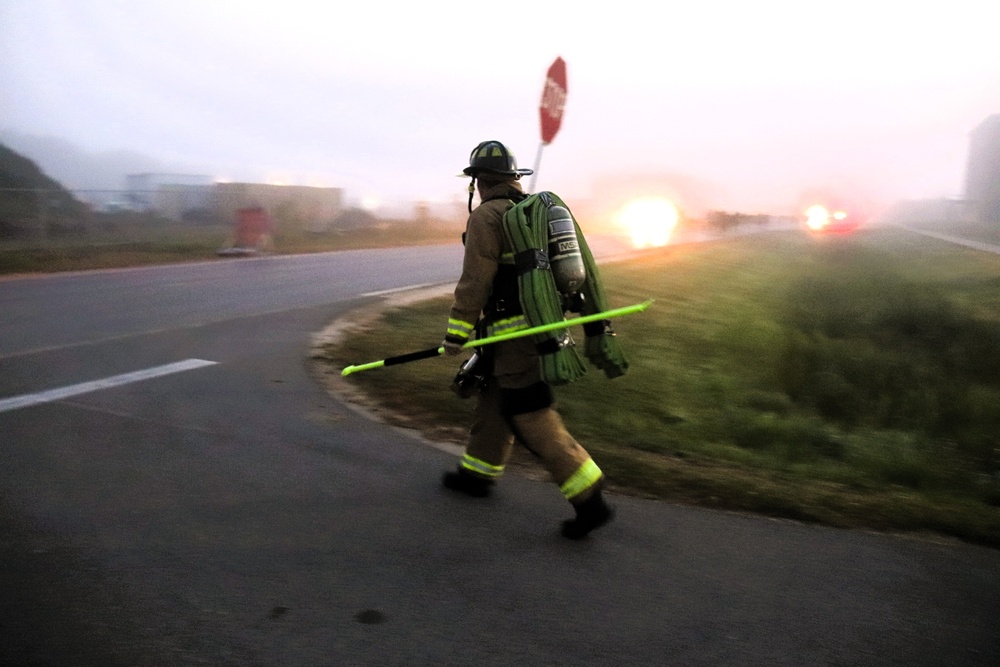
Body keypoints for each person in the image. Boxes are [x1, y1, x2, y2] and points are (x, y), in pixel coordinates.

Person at [440, 139, 615, 540]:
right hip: (533, 331)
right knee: (494, 399)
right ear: (515, 179)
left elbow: (474, 284)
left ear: (479, 182)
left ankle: (589, 497)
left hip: (512, 336)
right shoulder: (532, 213)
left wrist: (456, 334)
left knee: (531, 414)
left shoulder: (486, 218)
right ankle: (477, 474)